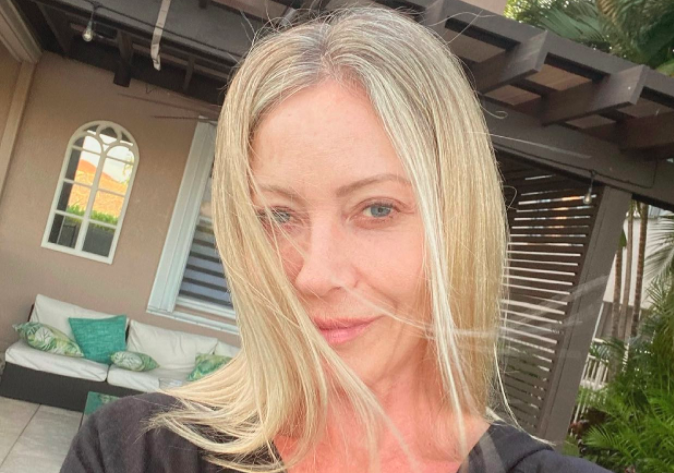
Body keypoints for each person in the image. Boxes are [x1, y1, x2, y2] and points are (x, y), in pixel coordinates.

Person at [61, 6, 610, 473]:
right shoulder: (134, 452)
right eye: (278, 216)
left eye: (377, 209)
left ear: (457, 225)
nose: (315, 275)